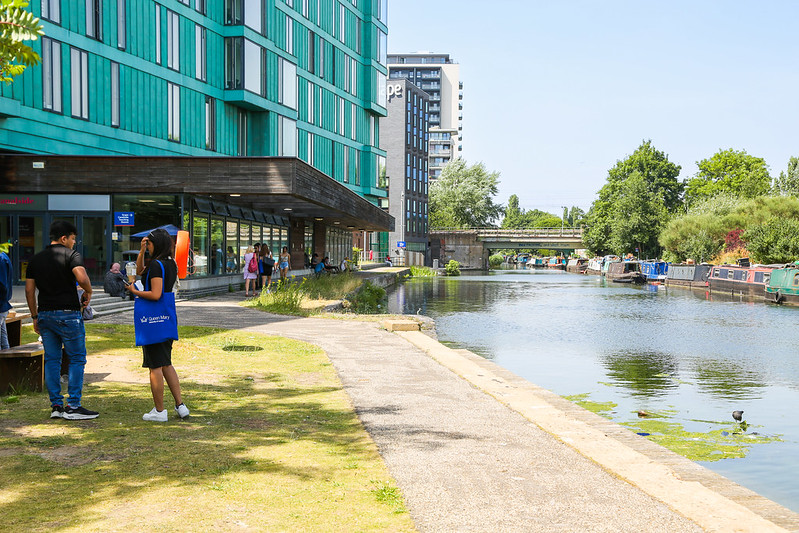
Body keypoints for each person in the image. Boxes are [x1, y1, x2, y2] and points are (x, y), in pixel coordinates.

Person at [24, 220, 98, 420]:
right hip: (68, 314)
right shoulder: (72, 255)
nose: (75, 243)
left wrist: (34, 316)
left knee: (52, 360)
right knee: (76, 358)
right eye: (73, 238)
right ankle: (73, 405)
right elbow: (81, 278)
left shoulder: (35, 260)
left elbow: (29, 291)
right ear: (64, 238)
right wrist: (89, 291)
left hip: (45, 315)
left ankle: (56, 406)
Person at [127, 228, 189, 422]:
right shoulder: (170, 263)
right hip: (166, 320)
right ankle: (180, 405)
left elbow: (155, 294)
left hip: (153, 321)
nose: (148, 247)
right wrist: (142, 252)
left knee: (155, 366)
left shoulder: (156, 265)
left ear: (157, 245)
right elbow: (139, 271)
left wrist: (134, 291)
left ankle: (160, 411)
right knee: (166, 363)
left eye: (150, 244)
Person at [0, 243, 12, 350]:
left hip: (1, 305)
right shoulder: (3, 257)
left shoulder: (1, 259)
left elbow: (2, 285)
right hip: (3, 305)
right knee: (4, 341)